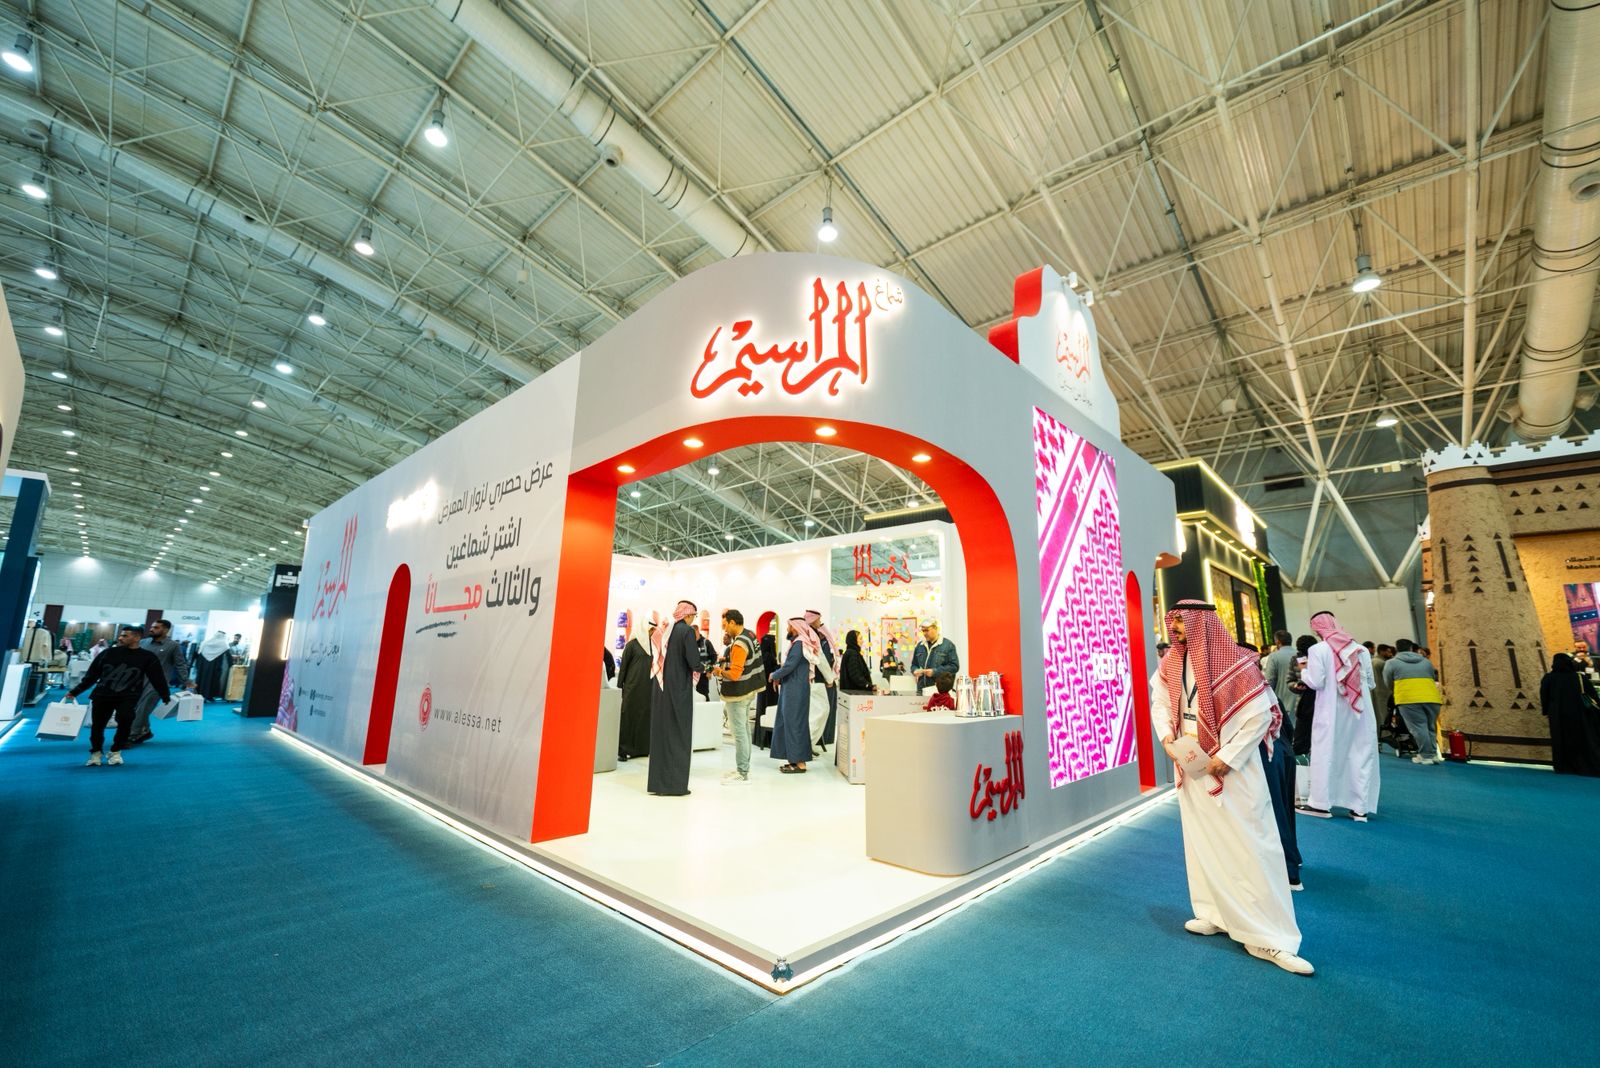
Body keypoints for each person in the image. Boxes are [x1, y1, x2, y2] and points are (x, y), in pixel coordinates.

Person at [1150, 600, 1311, 975]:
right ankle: (1215, 913)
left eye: (1182, 622)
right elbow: (1159, 700)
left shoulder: (1236, 663)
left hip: (1233, 771)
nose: (1175, 629)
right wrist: (1167, 737)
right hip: (1192, 764)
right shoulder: (1171, 662)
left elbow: (1259, 717)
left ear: (1203, 623)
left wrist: (1228, 757)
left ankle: (1271, 937)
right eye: (1173, 621)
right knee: (1202, 841)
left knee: (1252, 847)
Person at [1299, 611, 1381, 821]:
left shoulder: (1317, 650)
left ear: (1317, 629)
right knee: (1360, 754)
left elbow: (1316, 682)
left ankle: (1321, 805)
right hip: (1360, 712)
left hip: (1331, 713)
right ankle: (1359, 808)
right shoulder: (1361, 650)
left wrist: (1303, 672)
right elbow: (1370, 683)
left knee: (1326, 754)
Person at [67, 625, 171, 766]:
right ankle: (96, 753)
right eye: (121, 635)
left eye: (125, 636)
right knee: (97, 726)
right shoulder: (108, 653)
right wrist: (75, 691)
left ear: (137, 638)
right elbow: (91, 676)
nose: (120, 638)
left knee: (126, 721)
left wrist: (165, 695)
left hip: (129, 696)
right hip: (102, 695)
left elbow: (157, 678)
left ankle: (115, 751)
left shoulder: (147, 657)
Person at [647, 601, 700, 796]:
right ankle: (675, 785)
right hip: (678, 690)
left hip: (661, 688)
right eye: (694, 616)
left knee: (662, 733)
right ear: (688, 615)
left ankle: (658, 784)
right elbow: (694, 661)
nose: (693, 619)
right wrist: (705, 668)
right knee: (678, 734)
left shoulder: (666, 629)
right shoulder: (686, 632)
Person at [709, 609, 763, 784]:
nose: (724, 629)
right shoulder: (750, 635)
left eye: (725, 625)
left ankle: (742, 771)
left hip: (738, 693)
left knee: (739, 733)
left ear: (732, 622)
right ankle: (744, 768)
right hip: (749, 691)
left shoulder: (739, 643)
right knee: (744, 731)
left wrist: (718, 671)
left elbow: (734, 674)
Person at [128, 618, 192, 745]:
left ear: (166, 630)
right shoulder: (143, 642)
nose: (152, 629)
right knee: (134, 707)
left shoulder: (173, 646)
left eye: (156, 627)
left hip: (157, 684)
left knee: (143, 708)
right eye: (152, 627)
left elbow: (180, 664)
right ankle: (145, 731)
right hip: (137, 681)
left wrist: (186, 680)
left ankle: (132, 735)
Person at [769, 616, 818, 773]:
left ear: (796, 628)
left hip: (795, 690)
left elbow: (789, 666)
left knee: (794, 724)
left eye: (789, 626)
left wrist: (774, 675)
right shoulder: (799, 643)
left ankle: (800, 763)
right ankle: (794, 760)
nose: (787, 629)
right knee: (792, 723)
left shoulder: (798, 644)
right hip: (794, 688)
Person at [1385, 639, 1444, 764]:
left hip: (1408, 698)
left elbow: (1388, 682)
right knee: (1430, 727)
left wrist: (1397, 690)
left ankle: (1426, 756)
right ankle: (1433, 754)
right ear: (1411, 648)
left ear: (1396, 649)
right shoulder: (1426, 662)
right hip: (1432, 697)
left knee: (1418, 727)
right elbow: (1432, 676)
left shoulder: (1391, 663)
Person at [1541, 653, 1600, 776]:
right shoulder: (1580, 677)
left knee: (1560, 739)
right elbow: (1593, 695)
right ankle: (1583, 765)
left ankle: (1562, 766)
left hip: (1557, 715)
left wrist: (1546, 711)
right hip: (1579, 714)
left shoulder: (1549, 678)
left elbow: (1544, 696)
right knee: (1581, 738)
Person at [616, 616, 654, 761]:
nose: (651, 633)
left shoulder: (652, 646)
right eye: (650, 630)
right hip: (632, 688)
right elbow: (624, 668)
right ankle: (623, 750)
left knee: (644, 716)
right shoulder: (631, 645)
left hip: (647, 688)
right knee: (629, 717)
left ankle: (641, 749)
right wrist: (620, 687)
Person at [802, 609, 837, 753]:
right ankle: (806, 746)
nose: (820, 622)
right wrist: (830, 678)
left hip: (811, 680)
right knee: (820, 712)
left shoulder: (808, 634)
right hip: (815, 680)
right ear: (813, 620)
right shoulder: (812, 636)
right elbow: (820, 659)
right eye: (818, 619)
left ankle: (808, 745)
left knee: (816, 713)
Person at [910, 621, 959, 695]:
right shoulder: (920, 646)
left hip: (939, 692)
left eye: (927, 630)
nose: (924, 633)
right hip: (921, 690)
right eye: (923, 631)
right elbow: (914, 665)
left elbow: (954, 667)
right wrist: (914, 670)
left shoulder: (948, 645)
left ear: (935, 629)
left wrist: (935, 672)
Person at [1262, 630, 1298, 729]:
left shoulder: (1274, 656)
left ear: (1278, 642)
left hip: (1283, 699)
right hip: (1301, 699)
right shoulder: (1300, 654)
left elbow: (1270, 680)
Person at [1290, 634, 1316, 758]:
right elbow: (1289, 680)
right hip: (1304, 703)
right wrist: (1296, 686)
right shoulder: (1296, 659)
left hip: (1321, 701)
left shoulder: (1321, 657)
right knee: (1300, 740)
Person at [192, 629, 231, 702]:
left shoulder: (205, 643)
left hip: (203, 666)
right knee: (212, 680)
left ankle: (199, 694)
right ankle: (209, 696)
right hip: (214, 667)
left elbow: (199, 654)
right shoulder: (224, 644)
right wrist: (231, 664)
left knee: (202, 679)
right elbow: (229, 657)